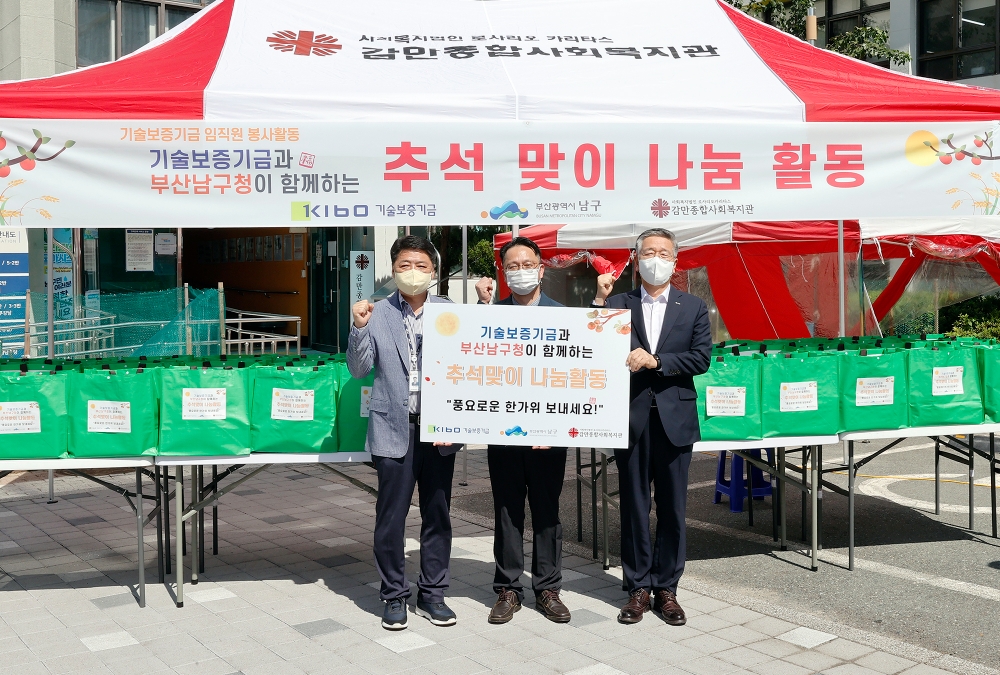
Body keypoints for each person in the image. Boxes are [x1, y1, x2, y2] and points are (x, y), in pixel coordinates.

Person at [592, 228, 711, 626]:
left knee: (673, 508)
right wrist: (598, 300)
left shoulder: (692, 306)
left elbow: (701, 358)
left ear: (675, 262)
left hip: (675, 420)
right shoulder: (618, 303)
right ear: (636, 258)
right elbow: (591, 344)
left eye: (663, 253)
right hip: (631, 417)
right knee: (634, 506)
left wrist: (658, 362)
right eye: (648, 253)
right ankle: (637, 588)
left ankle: (667, 588)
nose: (655, 259)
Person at [348, 235, 458, 631]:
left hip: (439, 429)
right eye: (404, 265)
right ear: (393, 270)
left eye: (421, 266)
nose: (413, 272)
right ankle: (394, 593)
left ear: (434, 271)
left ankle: (433, 594)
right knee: (391, 517)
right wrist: (359, 328)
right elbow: (359, 369)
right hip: (392, 427)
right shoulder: (375, 312)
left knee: (437, 515)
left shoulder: (452, 312)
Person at [474, 236, 571, 625]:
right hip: (504, 433)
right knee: (507, 510)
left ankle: (548, 588)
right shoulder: (491, 315)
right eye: (512, 266)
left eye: (527, 264)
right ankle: (508, 589)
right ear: (503, 273)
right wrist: (482, 308)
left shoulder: (564, 317)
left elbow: (575, 377)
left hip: (549, 434)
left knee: (547, 511)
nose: (520, 271)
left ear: (541, 269)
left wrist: (557, 425)